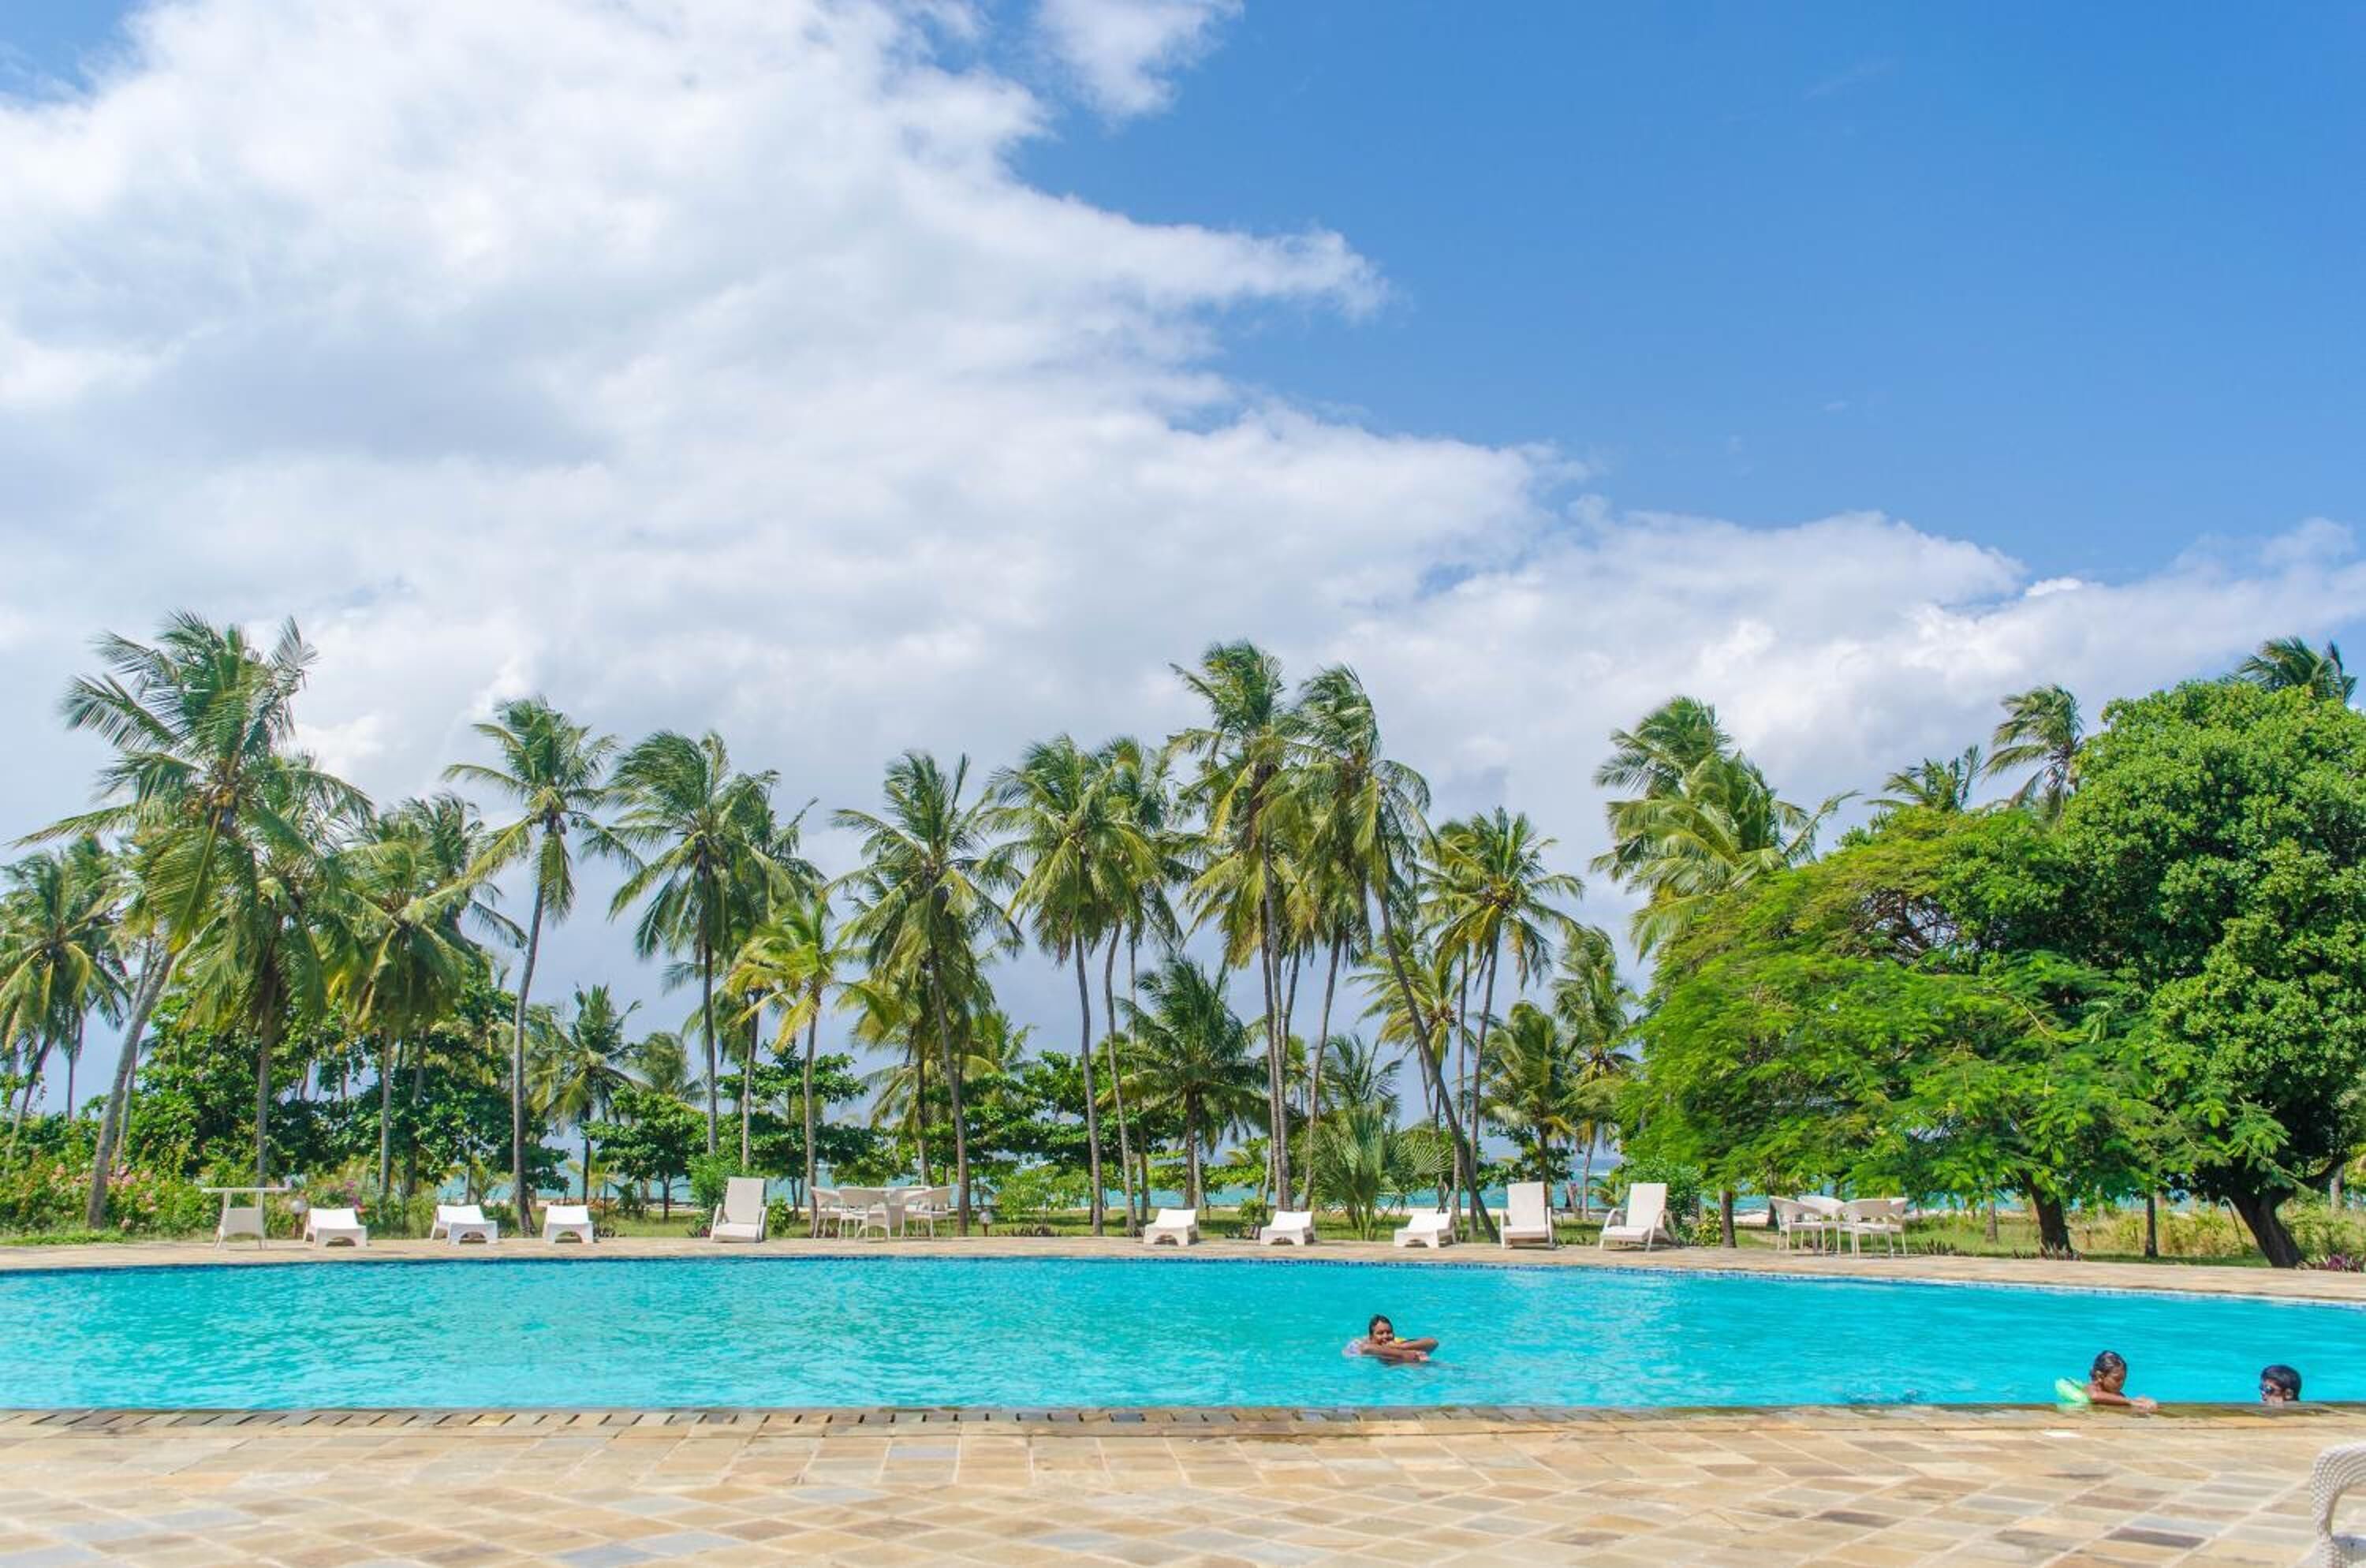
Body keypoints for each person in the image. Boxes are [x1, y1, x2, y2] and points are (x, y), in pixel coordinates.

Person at [2084, 1350, 2156, 1413]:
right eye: (2117, 1379)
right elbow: (2094, 1396)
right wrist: (2130, 1401)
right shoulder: (2092, 1387)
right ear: (2100, 1376)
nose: (2121, 1383)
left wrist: (2141, 1403)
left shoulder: (2120, 1396)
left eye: (2124, 1379)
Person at [1353, 1315, 1438, 1365]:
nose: (1386, 1336)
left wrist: (1400, 1346)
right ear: (1371, 1337)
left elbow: (1433, 1343)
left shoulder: (1397, 1342)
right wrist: (1405, 1354)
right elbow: (1367, 1349)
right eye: (1380, 1333)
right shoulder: (1363, 1344)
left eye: (1389, 1332)